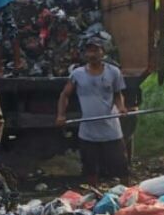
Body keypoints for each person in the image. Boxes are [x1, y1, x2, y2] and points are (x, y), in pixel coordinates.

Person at [55, 36, 129, 187]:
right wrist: (61, 115)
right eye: (89, 51)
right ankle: (93, 193)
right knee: (90, 168)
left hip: (111, 129)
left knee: (121, 164)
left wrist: (121, 107)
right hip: (88, 131)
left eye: (96, 50)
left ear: (103, 53)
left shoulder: (114, 72)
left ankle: (128, 192)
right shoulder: (77, 74)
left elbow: (117, 94)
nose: (92, 54)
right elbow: (65, 95)